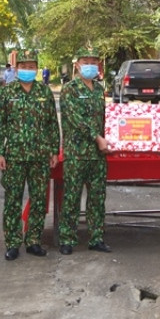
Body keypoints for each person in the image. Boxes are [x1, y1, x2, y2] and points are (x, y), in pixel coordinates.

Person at [0, 48, 60, 260]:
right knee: (12, 200)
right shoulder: (6, 93)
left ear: (37, 69)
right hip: (14, 155)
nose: (27, 69)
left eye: (31, 66)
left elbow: (52, 123)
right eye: (23, 66)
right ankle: (12, 243)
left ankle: (33, 240)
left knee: (39, 200)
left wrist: (54, 150)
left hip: (40, 155)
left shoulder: (44, 92)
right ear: (16, 68)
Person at [58, 46, 110, 255]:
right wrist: (97, 138)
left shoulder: (98, 89)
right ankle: (67, 238)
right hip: (77, 153)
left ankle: (96, 238)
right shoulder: (69, 89)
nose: (90, 65)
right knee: (72, 197)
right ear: (77, 65)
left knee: (97, 198)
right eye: (86, 62)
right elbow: (75, 119)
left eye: (93, 62)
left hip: (98, 154)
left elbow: (105, 119)